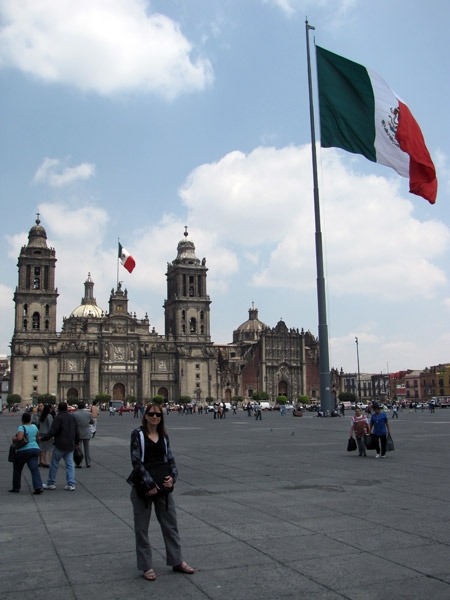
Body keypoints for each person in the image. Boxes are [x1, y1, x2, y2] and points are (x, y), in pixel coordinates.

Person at [127, 403, 194, 581]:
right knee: (142, 528)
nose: (155, 417)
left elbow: (170, 458)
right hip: (144, 488)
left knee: (170, 525)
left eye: (158, 415)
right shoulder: (138, 435)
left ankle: (177, 560)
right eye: (151, 414)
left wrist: (173, 477)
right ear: (145, 415)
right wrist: (149, 484)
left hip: (162, 487)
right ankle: (146, 566)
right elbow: (136, 461)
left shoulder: (163, 436)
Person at [40, 401, 79, 491]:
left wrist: (43, 439)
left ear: (58, 409)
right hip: (70, 445)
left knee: (54, 464)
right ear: (66, 408)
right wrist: (76, 442)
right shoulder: (72, 417)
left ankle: (51, 483)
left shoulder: (58, 418)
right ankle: (71, 484)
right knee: (70, 465)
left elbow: (53, 431)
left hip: (60, 445)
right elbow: (76, 431)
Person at [10, 412, 43, 494]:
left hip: (24, 450)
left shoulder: (22, 427)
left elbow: (20, 438)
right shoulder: (34, 427)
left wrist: (14, 438)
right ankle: (38, 486)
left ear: (22, 419)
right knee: (34, 469)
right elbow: (38, 438)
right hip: (35, 449)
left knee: (17, 469)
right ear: (30, 419)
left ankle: (16, 487)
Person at [74, 401, 94, 468]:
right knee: (87, 448)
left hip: (78, 433)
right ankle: (88, 463)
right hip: (86, 432)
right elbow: (92, 422)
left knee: (79, 449)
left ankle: (79, 463)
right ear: (84, 406)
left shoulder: (74, 414)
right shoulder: (88, 414)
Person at [38, 403, 53, 467]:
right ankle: (49, 462)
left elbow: (38, 425)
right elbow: (50, 425)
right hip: (47, 434)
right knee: (50, 448)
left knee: (43, 448)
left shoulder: (41, 416)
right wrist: (52, 434)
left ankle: (43, 461)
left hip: (41, 433)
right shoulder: (49, 416)